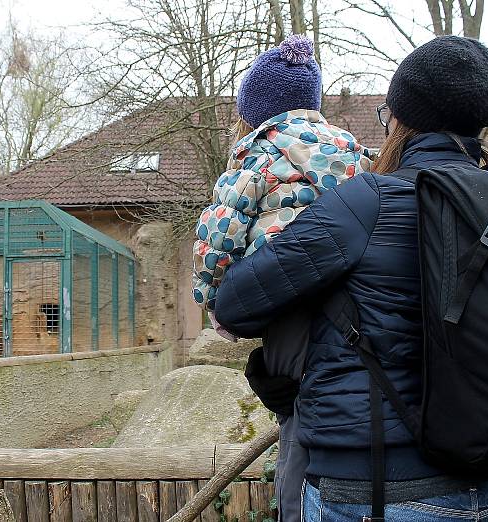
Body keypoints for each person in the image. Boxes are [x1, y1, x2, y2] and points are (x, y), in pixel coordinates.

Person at [213, 36, 488, 521]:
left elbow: (235, 303)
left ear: (400, 119)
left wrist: (283, 360)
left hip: (380, 490)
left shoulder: (366, 202)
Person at [191, 34, 374, 522]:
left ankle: (292, 508)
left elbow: (220, 233)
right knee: (317, 392)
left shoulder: (256, 157)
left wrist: (212, 299)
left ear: (254, 112)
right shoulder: (356, 154)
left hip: (281, 293)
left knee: (293, 407)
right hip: (349, 294)